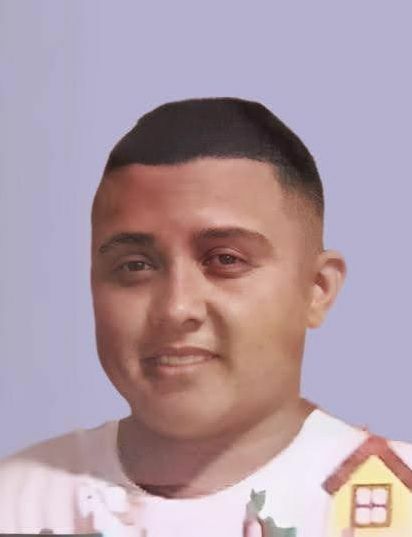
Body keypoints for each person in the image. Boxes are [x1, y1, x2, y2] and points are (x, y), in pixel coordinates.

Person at [1, 97, 411, 537]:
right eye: (135, 265)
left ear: (317, 289)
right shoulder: (17, 502)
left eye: (225, 259)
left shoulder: (395, 501)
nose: (176, 308)